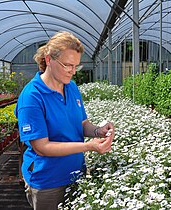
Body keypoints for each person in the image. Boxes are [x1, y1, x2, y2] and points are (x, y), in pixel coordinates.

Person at [14, 31, 115, 210]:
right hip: (49, 182)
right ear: (48, 60)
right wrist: (88, 146)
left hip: (76, 173)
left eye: (76, 66)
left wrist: (98, 131)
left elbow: (82, 124)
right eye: (67, 65)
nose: (72, 71)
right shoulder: (31, 98)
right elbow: (42, 147)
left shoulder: (71, 87)